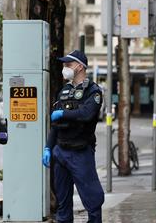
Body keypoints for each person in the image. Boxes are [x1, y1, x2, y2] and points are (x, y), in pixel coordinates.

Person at [42, 50, 105, 223]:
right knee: (63, 202)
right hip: (60, 152)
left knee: (93, 199)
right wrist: (48, 147)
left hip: (80, 152)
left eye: (68, 65)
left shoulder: (93, 91)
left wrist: (63, 113)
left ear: (79, 67)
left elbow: (86, 114)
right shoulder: (64, 91)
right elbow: (55, 124)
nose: (65, 68)